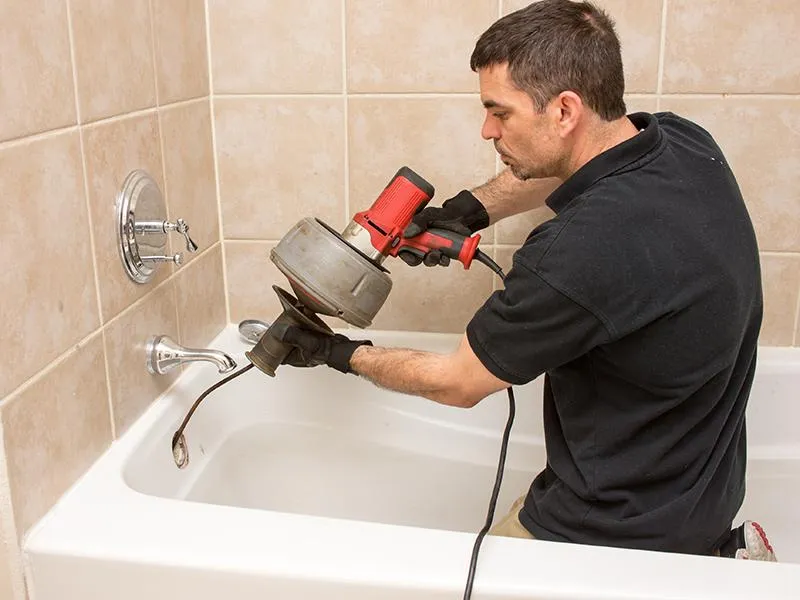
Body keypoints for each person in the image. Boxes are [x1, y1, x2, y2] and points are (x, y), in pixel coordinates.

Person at [273, 0, 777, 560]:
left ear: (564, 111)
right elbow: (574, 164)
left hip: (609, 533)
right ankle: (718, 555)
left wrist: (338, 352)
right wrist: (470, 210)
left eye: (501, 113)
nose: (487, 129)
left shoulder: (579, 250)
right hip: (699, 495)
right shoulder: (682, 143)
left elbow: (457, 383)